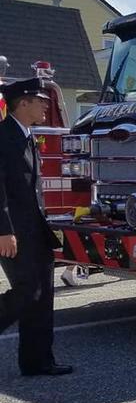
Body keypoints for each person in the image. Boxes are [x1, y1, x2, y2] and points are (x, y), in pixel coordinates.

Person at [0, 77, 71, 376]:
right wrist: (3, 230)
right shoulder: (3, 136)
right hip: (13, 231)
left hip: (35, 229)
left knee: (43, 294)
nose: (45, 104)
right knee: (28, 291)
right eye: (39, 100)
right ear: (22, 103)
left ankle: (38, 361)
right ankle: (36, 359)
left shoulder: (27, 135)